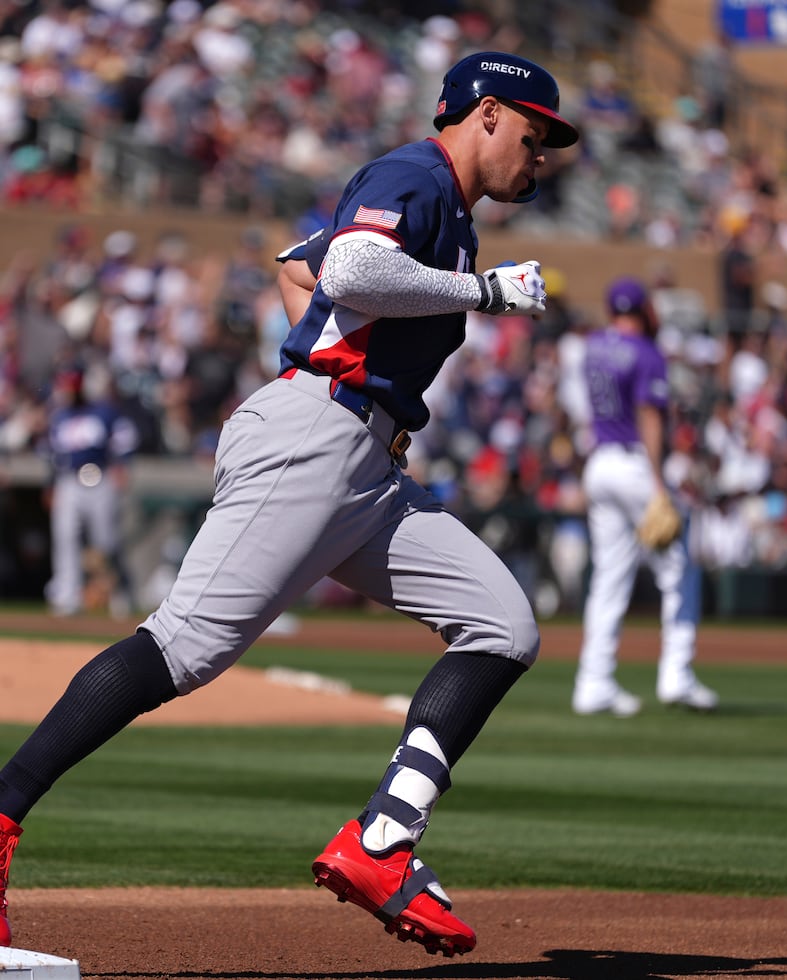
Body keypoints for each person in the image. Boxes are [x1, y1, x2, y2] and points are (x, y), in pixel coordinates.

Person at [0, 50, 579, 958]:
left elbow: (297, 269)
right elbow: (347, 271)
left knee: (503, 624)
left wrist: (334, 341)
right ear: (490, 115)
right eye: (535, 137)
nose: (539, 159)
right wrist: (481, 293)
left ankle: (385, 837)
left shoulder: (442, 208)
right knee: (182, 649)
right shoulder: (416, 176)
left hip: (365, 465)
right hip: (319, 437)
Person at [572, 277, 718, 717]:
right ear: (644, 309)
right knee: (679, 568)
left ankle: (593, 682)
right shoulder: (647, 352)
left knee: (609, 578)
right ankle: (677, 674)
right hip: (635, 463)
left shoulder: (592, 346)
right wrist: (659, 485)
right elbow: (650, 417)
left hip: (599, 462)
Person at [42, 365, 139, 617]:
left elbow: (125, 438)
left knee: (106, 541)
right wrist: (50, 484)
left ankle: (120, 593)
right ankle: (67, 595)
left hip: (100, 476)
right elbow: (52, 454)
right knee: (66, 536)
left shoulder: (103, 411)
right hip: (69, 480)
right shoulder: (59, 416)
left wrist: (121, 465)